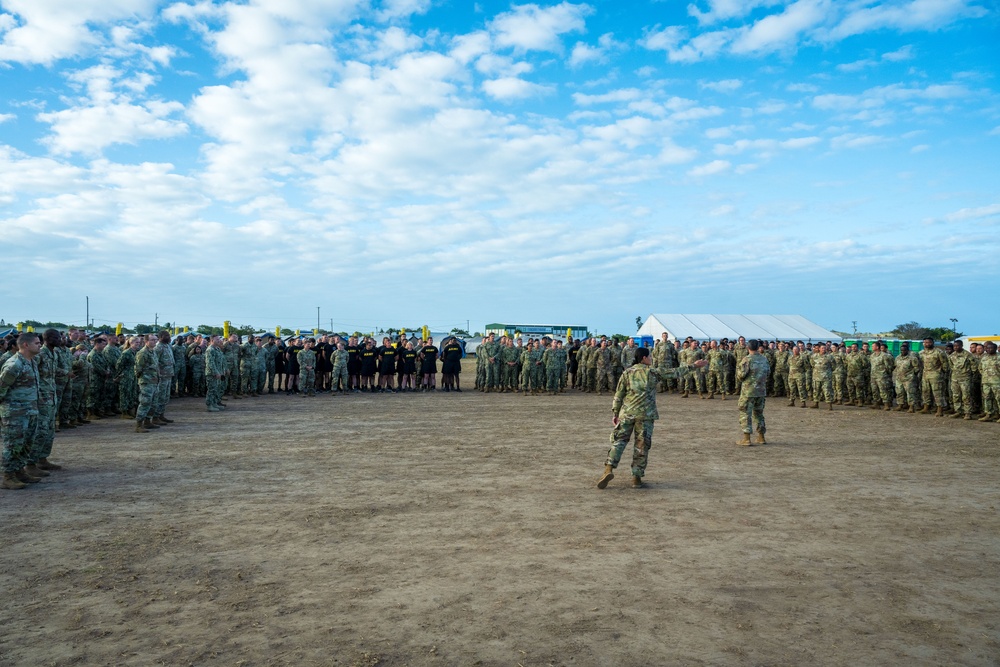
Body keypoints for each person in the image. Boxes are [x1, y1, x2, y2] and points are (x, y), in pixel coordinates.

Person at [597, 347, 707, 489]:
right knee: (641, 445)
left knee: (619, 442)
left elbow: (619, 395)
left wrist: (615, 413)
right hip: (645, 415)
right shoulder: (652, 372)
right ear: (643, 358)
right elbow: (674, 372)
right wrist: (694, 366)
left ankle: (608, 469)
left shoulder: (627, 373)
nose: (651, 358)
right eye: (649, 356)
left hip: (627, 413)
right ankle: (636, 478)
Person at [0, 332, 43, 489]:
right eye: (37, 343)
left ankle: (19, 471)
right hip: (14, 413)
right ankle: (8, 476)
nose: (40, 345)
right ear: (26, 345)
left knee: (26, 443)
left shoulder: (31, 361)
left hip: (30, 411)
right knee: (13, 444)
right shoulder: (14, 365)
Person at [736, 339, 770, 445]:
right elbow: (768, 373)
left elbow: (741, 375)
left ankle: (746, 438)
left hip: (748, 391)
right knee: (759, 414)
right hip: (761, 391)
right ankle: (761, 437)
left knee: (745, 413)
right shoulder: (764, 359)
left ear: (748, 347)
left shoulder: (747, 359)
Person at [133, 334, 160, 432]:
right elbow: (138, 369)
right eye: (152, 340)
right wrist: (142, 379)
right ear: (146, 341)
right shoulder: (143, 353)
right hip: (146, 381)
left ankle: (148, 421)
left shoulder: (153, 352)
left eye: (155, 340)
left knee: (153, 403)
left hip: (154, 381)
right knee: (145, 402)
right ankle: (139, 425)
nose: (155, 342)